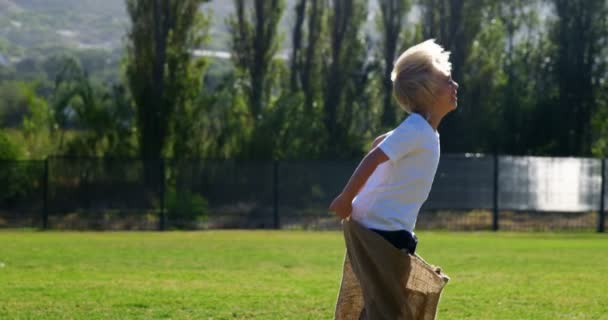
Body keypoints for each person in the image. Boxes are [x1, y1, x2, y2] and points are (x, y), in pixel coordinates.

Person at [329, 39, 458, 318]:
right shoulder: (416, 129)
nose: (455, 86)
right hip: (381, 229)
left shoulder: (420, 131)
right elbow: (374, 157)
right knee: (388, 307)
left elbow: (379, 145)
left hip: (389, 228)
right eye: (448, 80)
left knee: (382, 302)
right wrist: (346, 197)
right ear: (428, 91)